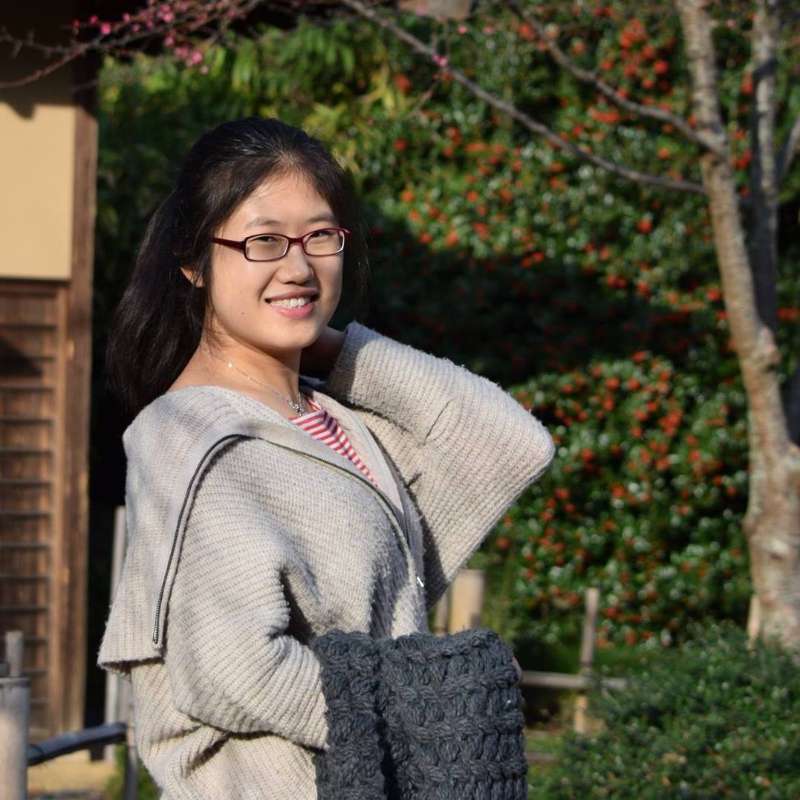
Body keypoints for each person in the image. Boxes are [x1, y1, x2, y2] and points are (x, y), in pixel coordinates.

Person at [97, 116, 555, 800]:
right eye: (263, 241)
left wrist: (336, 349)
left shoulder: (330, 418)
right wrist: (439, 702)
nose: (298, 267)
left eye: (319, 236)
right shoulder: (193, 436)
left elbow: (510, 442)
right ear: (192, 263)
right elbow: (230, 670)